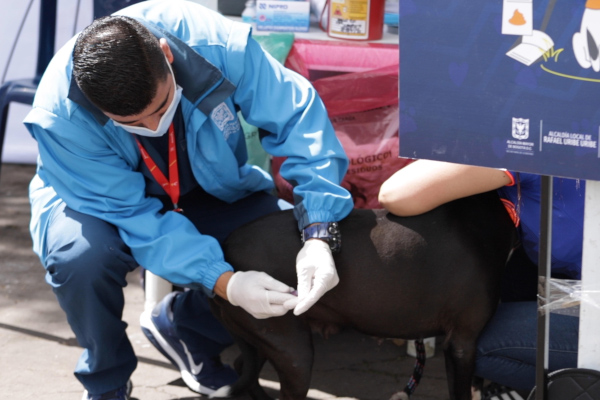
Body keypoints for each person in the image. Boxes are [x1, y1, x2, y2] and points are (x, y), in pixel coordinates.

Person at [24, 1, 354, 399]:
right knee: (81, 260)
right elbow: (132, 215)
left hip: (208, 184)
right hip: (95, 200)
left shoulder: (215, 45)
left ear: (166, 55)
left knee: (288, 250)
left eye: (161, 108)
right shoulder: (60, 114)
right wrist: (226, 282)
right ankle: (106, 382)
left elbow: (297, 117)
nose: (151, 126)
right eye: (131, 123)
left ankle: (186, 327)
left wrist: (319, 228)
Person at [378, 159, 582, 397]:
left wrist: (464, 147)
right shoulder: (575, 136)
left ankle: (577, 388)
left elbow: (394, 194)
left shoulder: (529, 147)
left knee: (473, 344)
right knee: (516, 276)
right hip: (585, 280)